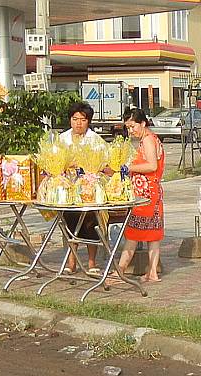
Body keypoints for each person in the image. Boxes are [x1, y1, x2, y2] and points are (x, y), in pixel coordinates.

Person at [114, 107, 165, 283]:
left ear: (143, 123)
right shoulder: (147, 140)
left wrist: (129, 168)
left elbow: (152, 166)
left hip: (147, 196)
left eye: (133, 126)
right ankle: (152, 272)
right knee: (152, 235)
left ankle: (120, 270)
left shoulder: (149, 140)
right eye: (128, 127)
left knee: (134, 233)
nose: (131, 131)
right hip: (149, 194)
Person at [59, 102, 106, 274]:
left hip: (89, 189)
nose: (78, 123)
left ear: (88, 121)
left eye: (82, 119)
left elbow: (104, 165)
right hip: (67, 189)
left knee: (90, 225)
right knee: (69, 224)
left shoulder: (95, 140)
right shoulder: (62, 139)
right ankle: (71, 263)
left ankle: (92, 263)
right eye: (75, 119)